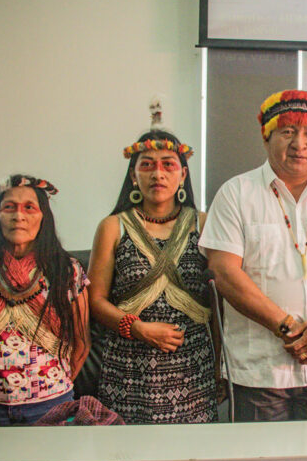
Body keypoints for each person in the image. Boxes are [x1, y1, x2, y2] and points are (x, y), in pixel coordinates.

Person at [200, 89, 307, 421]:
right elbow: (223, 272)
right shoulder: (236, 193)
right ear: (267, 138)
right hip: (259, 372)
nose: (300, 143)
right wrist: (287, 327)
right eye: (288, 132)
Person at [89, 113, 217, 424]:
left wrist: (220, 366)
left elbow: (218, 301)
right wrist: (138, 329)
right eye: (146, 165)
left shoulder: (203, 224)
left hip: (192, 369)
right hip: (128, 369)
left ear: (183, 174)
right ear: (133, 176)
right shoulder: (112, 227)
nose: (157, 173)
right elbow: (95, 302)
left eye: (167, 165)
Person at [0, 175, 89, 426]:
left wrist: (49, 388)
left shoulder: (66, 269)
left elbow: (82, 344)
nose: (19, 216)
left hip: (50, 405)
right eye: (9, 207)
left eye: (29, 208)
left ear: (43, 217)